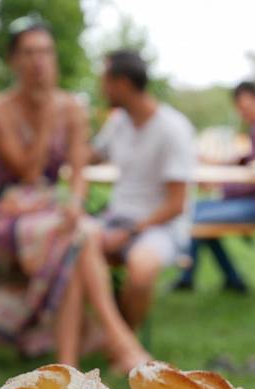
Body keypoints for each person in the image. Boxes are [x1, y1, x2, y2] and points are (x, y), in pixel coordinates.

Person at [0, 19, 149, 372]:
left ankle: (67, 366)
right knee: (77, 238)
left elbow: (78, 171)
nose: (38, 61)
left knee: (75, 235)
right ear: (13, 61)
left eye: (45, 52)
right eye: (29, 53)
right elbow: (26, 170)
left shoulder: (73, 108)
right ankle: (120, 339)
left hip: (53, 212)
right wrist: (44, 118)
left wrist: (75, 202)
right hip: (9, 215)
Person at [93, 50, 196, 329]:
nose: (101, 87)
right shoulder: (118, 122)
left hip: (160, 225)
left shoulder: (173, 128)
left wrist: (127, 233)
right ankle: (90, 334)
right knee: (69, 250)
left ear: (123, 83)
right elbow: (93, 154)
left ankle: (122, 341)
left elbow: (176, 205)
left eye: (105, 80)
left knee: (140, 272)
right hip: (117, 218)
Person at [172, 81, 255, 293]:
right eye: (240, 109)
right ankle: (231, 279)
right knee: (198, 212)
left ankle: (190, 277)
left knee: (196, 215)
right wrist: (224, 166)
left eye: (246, 108)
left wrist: (220, 186)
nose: (243, 113)